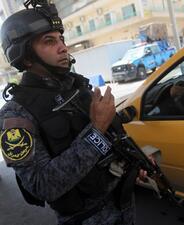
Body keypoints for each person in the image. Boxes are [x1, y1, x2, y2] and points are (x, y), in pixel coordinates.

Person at [0, 2, 146, 225]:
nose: (63, 47)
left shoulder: (78, 88)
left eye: (61, 39)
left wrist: (133, 162)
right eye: (49, 41)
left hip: (124, 205)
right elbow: (42, 186)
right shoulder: (16, 114)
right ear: (26, 57)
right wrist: (96, 130)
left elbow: (112, 140)